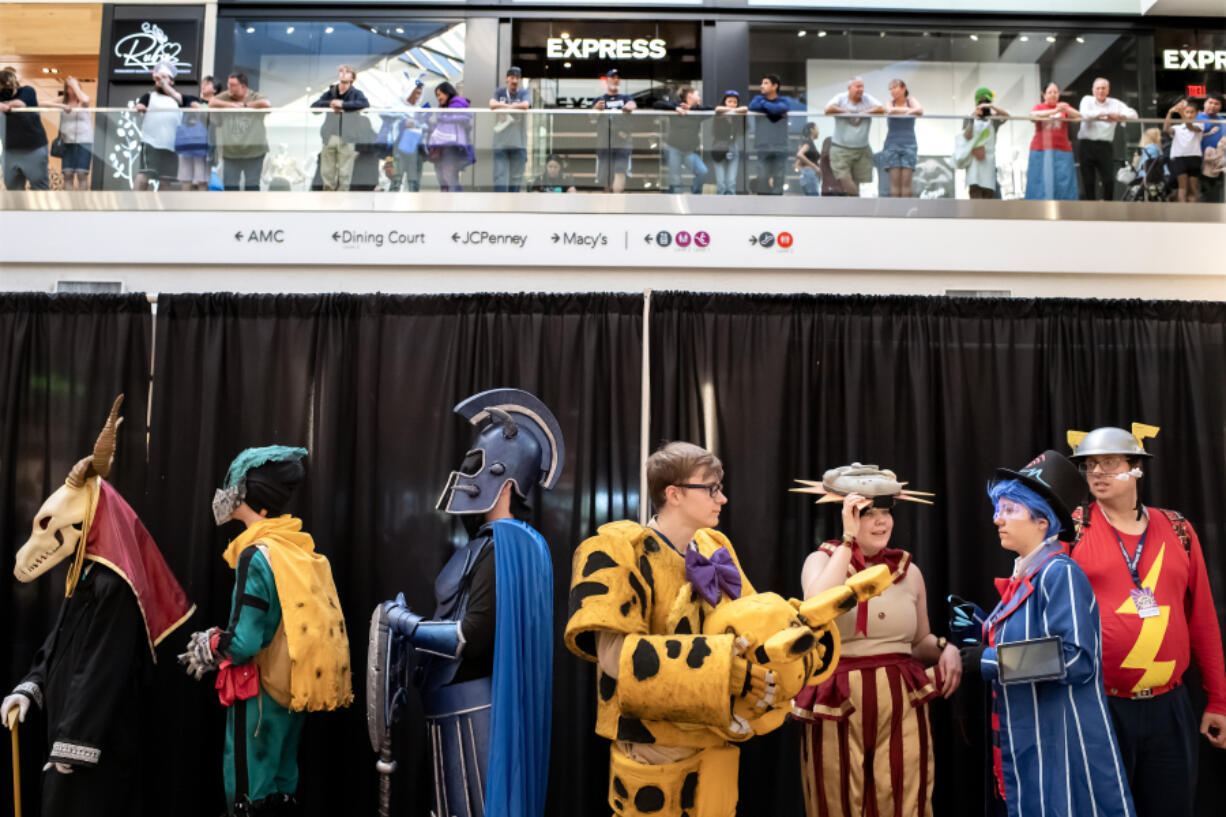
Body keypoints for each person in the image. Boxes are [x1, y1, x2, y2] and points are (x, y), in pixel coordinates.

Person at [565, 442, 879, 817]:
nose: (723, 498)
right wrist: (718, 670)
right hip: (656, 748)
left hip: (715, 743)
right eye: (711, 488)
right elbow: (615, 657)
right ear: (674, 493)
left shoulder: (715, 545)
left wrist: (789, 652)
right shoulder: (617, 549)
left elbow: (752, 622)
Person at [372, 389, 563, 817]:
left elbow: (470, 637)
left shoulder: (511, 545)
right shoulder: (495, 543)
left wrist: (404, 623)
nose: (467, 474)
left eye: (477, 464)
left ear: (506, 476)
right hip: (451, 709)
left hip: (478, 717)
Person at [2, 397, 193, 817]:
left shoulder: (116, 585)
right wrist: (31, 687)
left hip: (94, 748)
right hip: (67, 734)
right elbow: (61, 641)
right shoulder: (84, 572)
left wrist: (72, 746)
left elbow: (102, 667)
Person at [958, 450, 1136, 817]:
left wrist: (989, 659)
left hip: (1059, 743)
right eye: (998, 509)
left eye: (1009, 510)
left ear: (1042, 521)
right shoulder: (1028, 574)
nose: (997, 519)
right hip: (1030, 738)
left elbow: (1074, 657)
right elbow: (1027, 640)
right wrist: (978, 626)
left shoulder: (1060, 573)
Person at [180, 446, 352, 815]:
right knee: (282, 789)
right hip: (294, 690)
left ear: (252, 498)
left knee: (248, 796)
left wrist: (209, 644)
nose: (227, 494)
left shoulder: (255, 555)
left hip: (259, 695)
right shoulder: (295, 548)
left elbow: (243, 643)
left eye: (236, 485)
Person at [1065, 425, 1226, 817]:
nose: (1097, 473)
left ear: (1136, 468)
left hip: (1169, 707)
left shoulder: (1178, 529)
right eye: (1089, 466)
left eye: (1109, 462)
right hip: (1098, 705)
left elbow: (1203, 618)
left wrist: (1219, 698)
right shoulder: (1071, 528)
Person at [792, 464, 959, 817]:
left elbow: (920, 642)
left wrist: (947, 648)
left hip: (902, 699)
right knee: (832, 801)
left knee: (903, 797)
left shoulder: (908, 571)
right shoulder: (820, 561)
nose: (882, 522)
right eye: (868, 513)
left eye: (886, 512)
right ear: (847, 513)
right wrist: (848, 541)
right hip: (836, 698)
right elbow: (814, 609)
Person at [310, 64, 370, 191]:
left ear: (352, 77)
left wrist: (343, 105)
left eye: (347, 72)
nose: (343, 74)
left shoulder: (356, 93)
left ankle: (342, 201)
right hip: (330, 136)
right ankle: (328, 199)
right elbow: (314, 107)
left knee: (345, 173)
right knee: (327, 172)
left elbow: (364, 104)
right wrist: (331, 103)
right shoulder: (331, 92)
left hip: (347, 137)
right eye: (341, 72)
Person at [1076, 78, 1137, 201]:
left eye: (1103, 88)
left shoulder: (1115, 103)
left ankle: (1108, 207)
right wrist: (1106, 115)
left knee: (1108, 179)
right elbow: (1084, 114)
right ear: (1093, 90)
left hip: (1105, 146)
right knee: (1088, 180)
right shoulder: (1087, 100)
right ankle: (1090, 207)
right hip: (1086, 144)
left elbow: (1134, 115)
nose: (1101, 91)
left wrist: (1120, 116)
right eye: (1098, 88)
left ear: (1108, 90)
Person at [209, 72, 271, 191]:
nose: (229, 87)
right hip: (231, 151)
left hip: (254, 151)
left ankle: (251, 209)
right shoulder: (226, 95)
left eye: (233, 85)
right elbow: (212, 102)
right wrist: (232, 105)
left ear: (243, 86)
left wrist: (245, 105)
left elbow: (267, 104)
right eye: (228, 84)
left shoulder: (254, 96)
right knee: (230, 186)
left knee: (252, 185)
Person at [823, 77, 885, 197]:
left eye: (862, 86)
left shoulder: (867, 99)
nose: (860, 89)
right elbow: (828, 109)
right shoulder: (841, 98)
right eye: (857, 86)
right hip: (841, 148)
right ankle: (858, 203)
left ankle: (854, 208)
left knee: (857, 182)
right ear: (849, 88)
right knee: (845, 179)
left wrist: (864, 113)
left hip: (861, 148)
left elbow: (881, 109)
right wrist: (846, 112)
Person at [132, 62, 184, 190]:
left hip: (171, 146)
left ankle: (161, 209)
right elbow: (139, 106)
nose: (160, 81)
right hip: (151, 142)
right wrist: (139, 107)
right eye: (158, 78)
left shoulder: (178, 100)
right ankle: (134, 206)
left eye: (164, 78)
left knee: (166, 181)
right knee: (144, 175)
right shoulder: (149, 96)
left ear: (171, 81)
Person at [1024, 82, 1080, 201]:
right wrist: (1054, 111)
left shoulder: (1063, 106)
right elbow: (1033, 116)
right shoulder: (1039, 107)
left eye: (1055, 92)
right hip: (1040, 150)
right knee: (1039, 180)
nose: (1053, 95)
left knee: (1064, 180)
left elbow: (1079, 117)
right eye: (1050, 92)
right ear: (1044, 95)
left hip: (1062, 150)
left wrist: (1065, 109)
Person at [653, 86, 710, 195]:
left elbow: (712, 110)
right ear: (690, 95)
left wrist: (691, 110)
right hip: (673, 148)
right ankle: (675, 202)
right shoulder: (677, 105)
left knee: (702, 171)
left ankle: (696, 196)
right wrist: (675, 109)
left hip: (689, 151)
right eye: (697, 95)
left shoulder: (698, 110)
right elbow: (657, 104)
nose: (699, 98)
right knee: (675, 179)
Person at [0, 67, 50, 190]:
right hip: (9, 150)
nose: (5, 90)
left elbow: (20, 103)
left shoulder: (27, 91)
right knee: (13, 188)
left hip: (34, 148)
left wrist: (4, 105)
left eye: (7, 86)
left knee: (39, 188)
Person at [749, 74, 795, 194]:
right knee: (762, 178)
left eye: (765, 83)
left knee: (779, 179)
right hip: (762, 145)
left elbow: (778, 109)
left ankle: (777, 208)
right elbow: (753, 106)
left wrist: (764, 106)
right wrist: (772, 108)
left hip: (780, 146)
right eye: (761, 83)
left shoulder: (784, 100)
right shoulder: (757, 99)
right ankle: (763, 208)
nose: (761, 86)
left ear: (775, 86)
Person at [592, 68, 636, 193]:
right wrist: (596, 109)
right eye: (612, 77)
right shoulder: (600, 99)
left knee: (620, 171)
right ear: (607, 80)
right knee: (606, 175)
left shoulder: (625, 97)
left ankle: (617, 202)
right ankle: (608, 205)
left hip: (622, 141)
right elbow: (591, 118)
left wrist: (629, 106)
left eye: (617, 78)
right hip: (604, 142)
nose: (615, 80)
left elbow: (632, 104)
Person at [1165, 98, 1216, 204]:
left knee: (1193, 191)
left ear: (1197, 113)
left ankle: (1194, 217)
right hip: (1180, 158)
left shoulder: (1199, 125)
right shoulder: (1177, 128)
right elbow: (1166, 129)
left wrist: (1182, 114)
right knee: (1182, 189)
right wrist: (1170, 112)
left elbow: (1190, 126)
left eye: (1192, 112)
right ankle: (1183, 218)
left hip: (1194, 158)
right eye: (1187, 112)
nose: (1189, 114)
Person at [426, 81, 473, 192]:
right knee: (442, 177)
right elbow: (441, 126)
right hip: (441, 146)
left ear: (447, 93)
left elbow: (465, 117)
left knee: (450, 176)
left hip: (452, 145)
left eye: (439, 94)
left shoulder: (458, 102)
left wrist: (445, 117)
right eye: (436, 95)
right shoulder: (443, 108)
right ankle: (446, 203)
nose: (438, 98)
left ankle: (455, 204)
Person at [49, 76, 93, 190]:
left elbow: (85, 100)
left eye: (74, 86)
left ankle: (82, 204)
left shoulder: (83, 100)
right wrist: (61, 105)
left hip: (84, 142)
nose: (72, 89)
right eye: (69, 87)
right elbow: (42, 103)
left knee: (81, 174)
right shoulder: (63, 100)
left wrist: (74, 84)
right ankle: (70, 204)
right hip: (67, 142)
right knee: (67, 174)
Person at [490, 66, 531, 192]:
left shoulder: (523, 93)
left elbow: (525, 105)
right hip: (500, 141)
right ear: (507, 78)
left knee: (516, 177)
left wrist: (503, 107)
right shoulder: (500, 92)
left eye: (517, 78)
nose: (515, 81)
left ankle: (514, 206)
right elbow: (492, 104)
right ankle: (499, 205)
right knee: (499, 175)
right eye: (512, 77)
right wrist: (512, 106)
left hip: (518, 143)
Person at [962, 88, 1007, 199]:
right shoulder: (970, 118)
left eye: (986, 102)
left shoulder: (993, 120)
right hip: (974, 166)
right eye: (981, 103)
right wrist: (973, 117)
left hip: (989, 165)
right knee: (976, 199)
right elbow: (966, 136)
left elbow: (1006, 116)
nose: (984, 106)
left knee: (990, 199)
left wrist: (992, 108)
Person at [881, 78, 923, 198]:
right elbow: (888, 110)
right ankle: (895, 213)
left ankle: (906, 213)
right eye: (890, 89)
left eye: (895, 87)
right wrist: (908, 111)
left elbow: (919, 110)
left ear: (903, 88)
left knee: (906, 181)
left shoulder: (912, 101)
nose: (892, 91)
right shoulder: (890, 103)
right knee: (894, 181)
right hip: (891, 145)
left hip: (909, 144)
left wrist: (899, 111)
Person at [176, 75, 216, 191]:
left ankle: (202, 207)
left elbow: (217, 120)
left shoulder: (217, 104)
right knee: (186, 180)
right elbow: (176, 96)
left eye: (207, 84)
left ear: (215, 89)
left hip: (204, 147)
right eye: (202, 83)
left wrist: (202, 108)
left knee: (201, 181)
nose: (203, 85)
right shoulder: (191, 99)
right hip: (186, 144)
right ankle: (184, 207)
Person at [711, 90, 747, 195]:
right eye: (729, 101)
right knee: (721, 182)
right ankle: (720, 206)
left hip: (733, 146)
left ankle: (731, 206)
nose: (732, 104)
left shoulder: (737, 116)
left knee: (731, 182)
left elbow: (745, 109)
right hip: (719, 146)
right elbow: (717, 109)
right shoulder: (719, 114)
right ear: (725, 102)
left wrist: (733, 111)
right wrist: (731, 110)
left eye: (735, 102)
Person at [1197, 93, 1223, 203]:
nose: (1212, 106)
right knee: (1202, 196)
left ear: (1220, 106)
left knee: (1215, 196)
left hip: (1217, 164)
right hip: (1200, 164)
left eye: (1216, 103)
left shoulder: (1222, 120)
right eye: (1210, 102)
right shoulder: (1197, 118)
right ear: (1204, 103)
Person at [795, 122, 820, 196]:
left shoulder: (808, 143)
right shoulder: (808, 143)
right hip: (810, 175)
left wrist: (805, 172)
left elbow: (797, 164)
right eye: (817, 128)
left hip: (808, 175)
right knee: (813, 200)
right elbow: (799, 155)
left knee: (811, 199)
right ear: (812, 130)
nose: (818, 131)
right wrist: (814, 167)